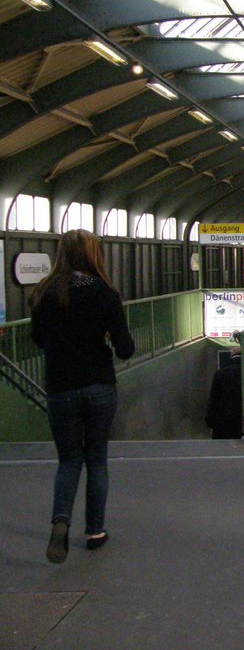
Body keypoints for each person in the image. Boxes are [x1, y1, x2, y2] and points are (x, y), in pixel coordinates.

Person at [30, 229, 135, 563]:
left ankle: (60, 522)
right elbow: (125, 349)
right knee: (96, 460)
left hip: (61, 388)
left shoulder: (44, 292)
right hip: (98, 386)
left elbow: (37, 340)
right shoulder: (104, 292)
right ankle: (95, 531)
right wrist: (103, 335)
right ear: (93, 255)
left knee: (69, 460)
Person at [206, 346, 243, 439]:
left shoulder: (220, 373)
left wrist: (210, 421)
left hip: (223, 421)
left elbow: (214, 398)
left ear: (232, 356)